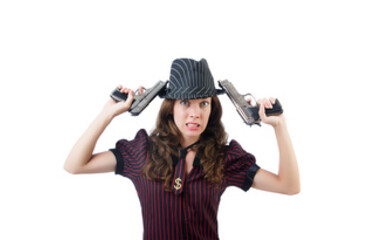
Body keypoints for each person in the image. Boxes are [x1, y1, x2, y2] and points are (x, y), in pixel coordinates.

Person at [64, 58, 300, 239]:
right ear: (171, 108)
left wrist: (280, 126)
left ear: (212, 109)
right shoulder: (142, 152)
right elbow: (75, 165)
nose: (195, 113)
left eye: (203, 103)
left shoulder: (224, 158)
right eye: (185, 103)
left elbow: (289, 186)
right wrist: (108, 113)